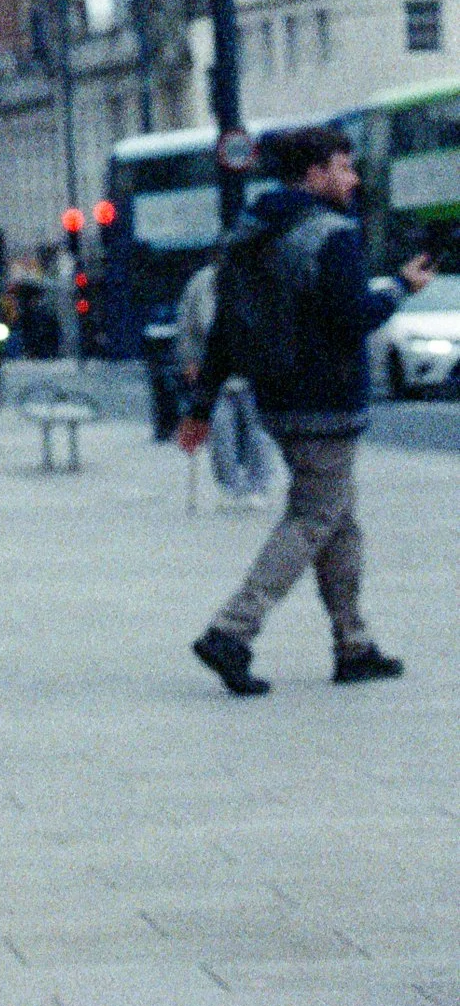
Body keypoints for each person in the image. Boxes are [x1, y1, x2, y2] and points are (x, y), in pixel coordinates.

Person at [178, 125, 431, 696]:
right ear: (315, 175)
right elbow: (354, 316)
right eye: (344, 167)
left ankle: (353, 644)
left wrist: (202, 403)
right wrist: (399, 289)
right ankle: (231, 630)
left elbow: (224, 326)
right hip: (328, 400)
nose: (354, 179)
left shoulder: (250, 232)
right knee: (315, 518)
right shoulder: (332, 234)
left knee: (339, 523)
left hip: (277, 398)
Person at [175, 259, 275, 502]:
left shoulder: (260, 279)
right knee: (220, 431)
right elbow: (188, 325)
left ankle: (257, 486)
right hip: (216, 374)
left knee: (259, 432)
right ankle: (230, 487)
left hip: (254, 371)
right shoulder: (202, 283)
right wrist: (189, 360)